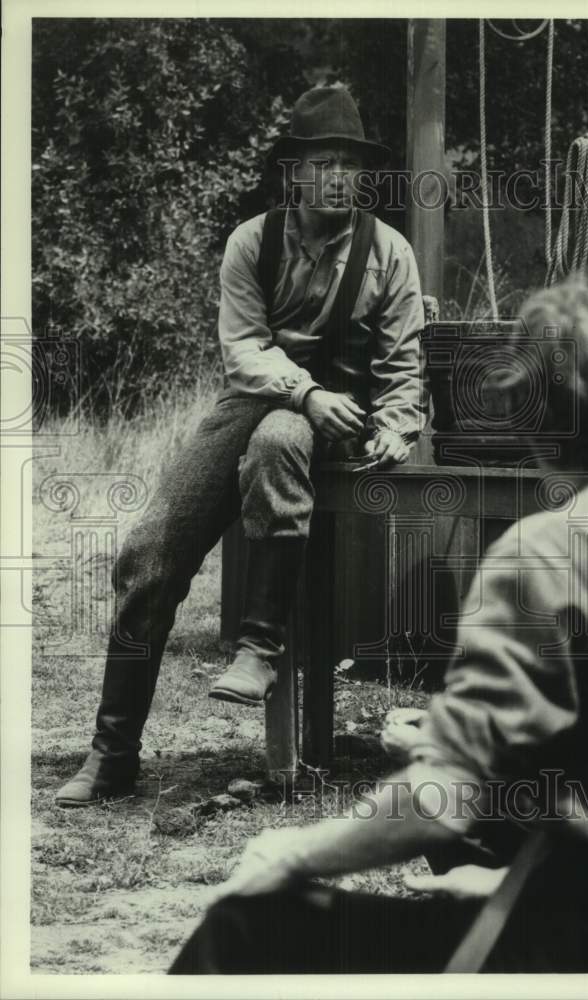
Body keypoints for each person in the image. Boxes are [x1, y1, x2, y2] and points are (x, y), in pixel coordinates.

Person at [168, 278, 588, 974]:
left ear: (522, 409)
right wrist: (512, 883)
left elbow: (444, 800)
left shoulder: (548, 552)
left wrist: (288, 851)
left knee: (245, 929)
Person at [55, 87, 428, 807]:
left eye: (349, 164)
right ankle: (113, 752)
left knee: (281, 441)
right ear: (294, 172)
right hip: (255, 403)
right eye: (322, 163)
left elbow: (402, 364)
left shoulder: (390, 253)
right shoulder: (251, 242)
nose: (338, 178)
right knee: (148, 553)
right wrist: (304, 391)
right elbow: (244, 351)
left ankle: (259, 647)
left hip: (336, 422)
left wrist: (395, 425)